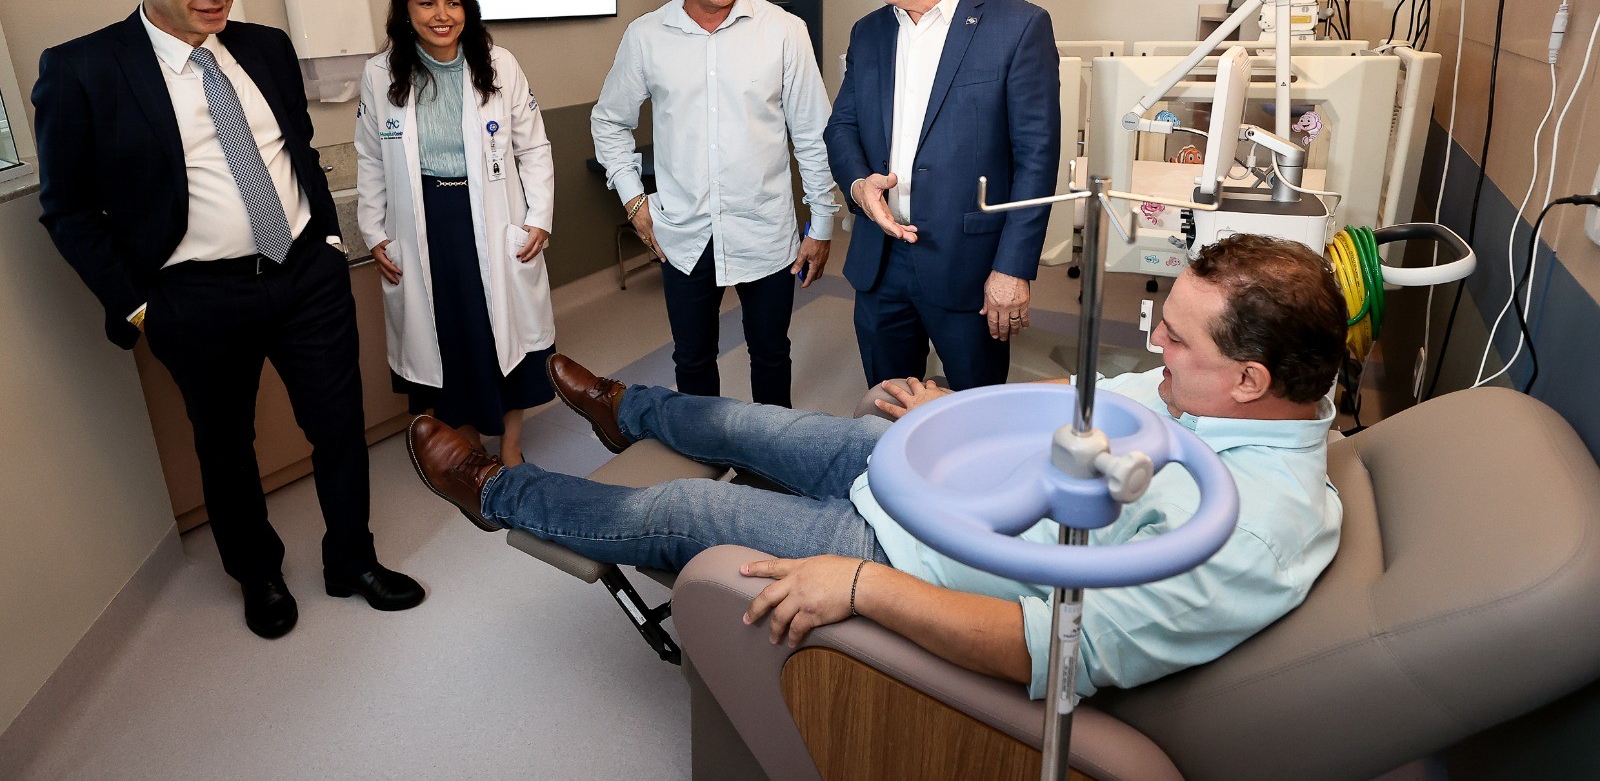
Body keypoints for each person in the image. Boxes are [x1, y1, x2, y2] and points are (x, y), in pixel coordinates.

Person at [409, 234, 1346, 698]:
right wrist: (954, 413)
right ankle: (627, 410)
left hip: (910, 555)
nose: (1155, 347)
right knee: (748, 422)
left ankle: (497, 491)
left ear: (1251, 379)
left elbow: (1061, 650)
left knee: (685, 510)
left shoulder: (1252, 528)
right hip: (936, 475)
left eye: (1176, 339)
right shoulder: (1203, 397)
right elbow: (1068, 407)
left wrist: (859, 586)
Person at [33, 0, 422, 639]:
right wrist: (139, 306)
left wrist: (328, 242)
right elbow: (68, 211)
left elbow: (296, 150)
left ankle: (352, 560)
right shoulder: (84, 70)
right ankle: (259, 575)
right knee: (225, 447)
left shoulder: (266, 47)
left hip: (305, 276)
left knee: (339, 427)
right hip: (195, 296)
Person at [590, 0, 837, 409]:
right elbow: (609, 121)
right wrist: (634, 201)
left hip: (763, 231)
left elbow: (813, 133)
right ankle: (705, 455)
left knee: (771, 355)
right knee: (693, 361)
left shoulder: (784, 31)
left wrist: (821, 223)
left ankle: (771, 454)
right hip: (684, 234)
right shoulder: (646, 37)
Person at [824, 0, 1059, 392]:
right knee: (888, 411)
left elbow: (1036, 157)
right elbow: (841, 125)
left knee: (975, 418)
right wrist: (859, 185)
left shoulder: (1017, 28)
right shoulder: (869, 33)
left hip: (971, 270)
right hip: (880, 263)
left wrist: (1013, 268)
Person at [356, 0, 556, 467]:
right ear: (405, 10)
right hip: (424, 221)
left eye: (453, 2)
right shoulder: (380, 73)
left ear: (468, 7)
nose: (442, 15)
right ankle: (469, 447)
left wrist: (538, 217)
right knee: (448, 339)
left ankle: (510, 447)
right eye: (427, 3)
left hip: (494, 215)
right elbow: (371, 157)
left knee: (505, 337)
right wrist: (374, 231)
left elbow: (534, 147)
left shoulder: (499, 63)